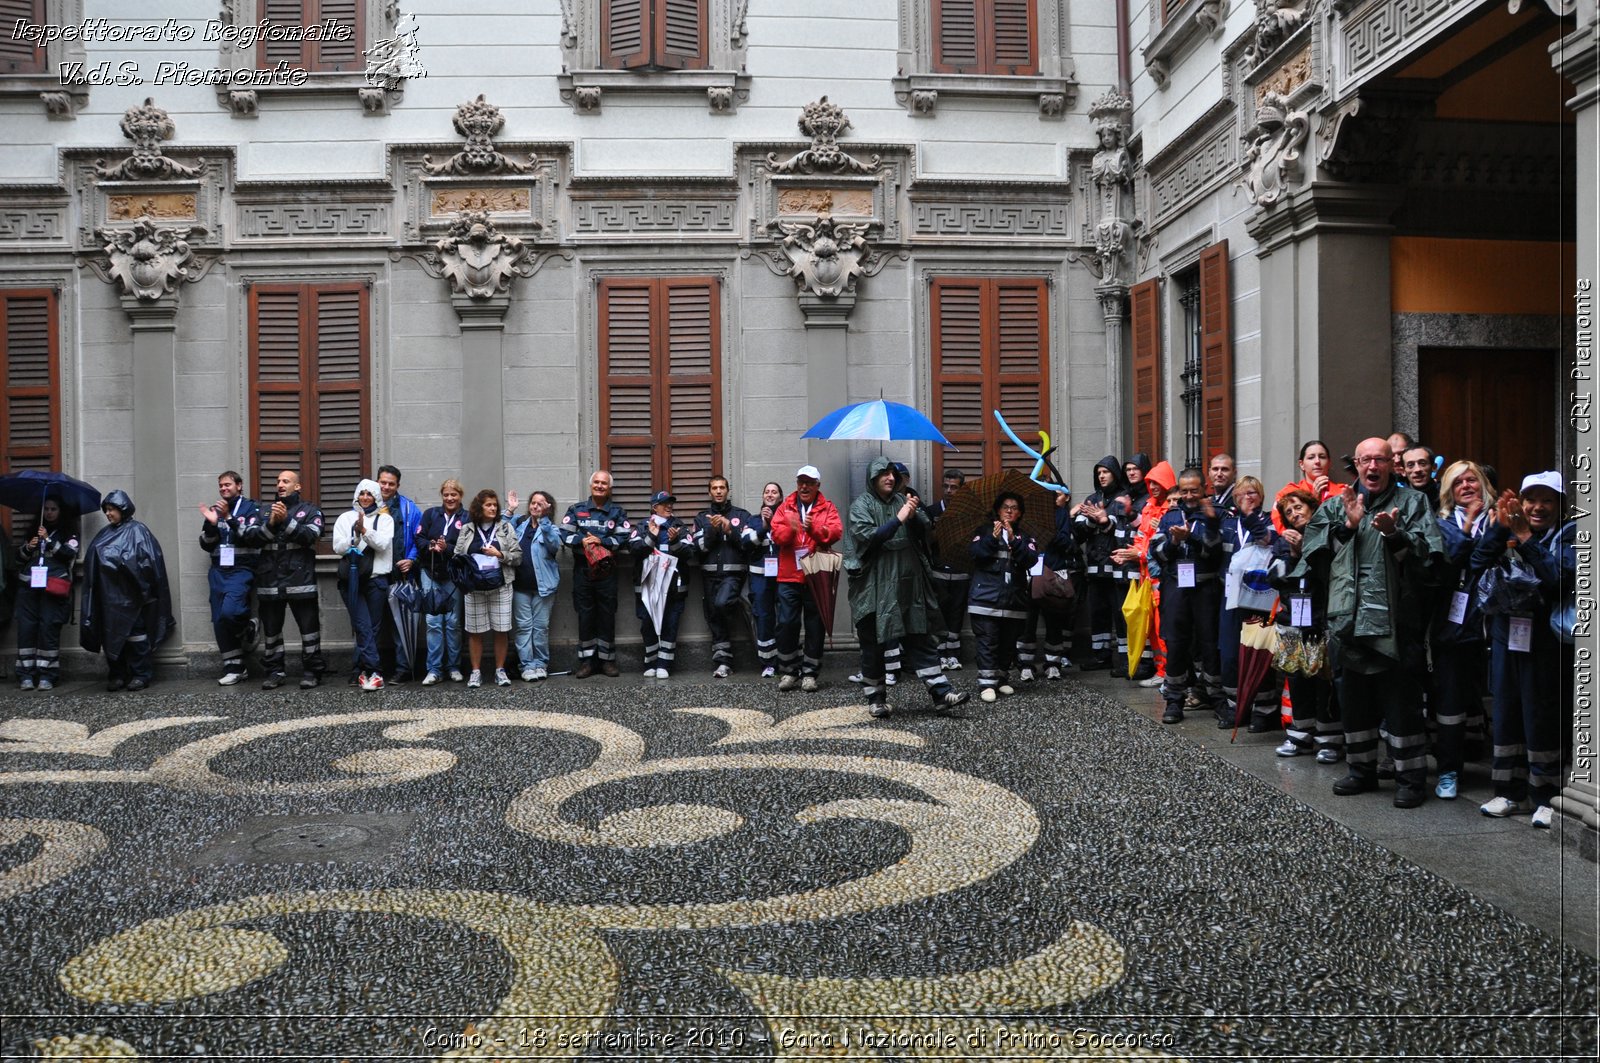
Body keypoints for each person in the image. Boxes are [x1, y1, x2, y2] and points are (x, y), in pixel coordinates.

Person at [1294, 437, 1445, 808]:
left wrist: (1396, 535)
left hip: (1397, 622)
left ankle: (1410, 777)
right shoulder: (1334, 505)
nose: (1372, 467)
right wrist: (1345, 527)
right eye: (1366, 460)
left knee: (1401, 703)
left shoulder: (1413, 502)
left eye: (1380, 460)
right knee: (1354, 700)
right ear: (1356, 465)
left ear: (1392, 466)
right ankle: (1361, 769)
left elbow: (1430, 559)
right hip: (1347, 622)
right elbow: (1311, 553)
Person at [1472, 472, 1576, 827]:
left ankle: (1546, 796)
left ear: (1560, 505)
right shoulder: (1508, 528)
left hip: (1546, 640)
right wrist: (1499, 529)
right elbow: (1475, 565)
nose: (1537, 507)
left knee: (1542, 714)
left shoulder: (1572, 533)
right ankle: (1509, 792)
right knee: (1507, 710)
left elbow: (1560, 577)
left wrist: (1527, 538)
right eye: (1532, 499)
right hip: (1506, 634)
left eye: (1548, 500)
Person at [843, 456, 969, 717]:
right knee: (874, 643)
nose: (890, 478)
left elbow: (927, 530)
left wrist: (914, 513)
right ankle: (876, 698)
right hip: (874, 586)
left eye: (893, 474)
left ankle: (941, 693)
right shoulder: (860, 506)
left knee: (920, 638)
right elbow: (869, 538)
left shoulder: (904, 500)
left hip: (908, 585)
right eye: (884, 474)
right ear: (872, 478)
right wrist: (899, 519)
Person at [1429, 460, 1496, 800]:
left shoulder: (1501, 518)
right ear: (1449, 492)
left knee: (1504, 701)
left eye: (1472, 480)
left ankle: (1510, 777)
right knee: (1451, 704)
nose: (1467, 486)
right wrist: (1468, 525)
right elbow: (1447, 564)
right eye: (1458, 483)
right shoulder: (1441, 523)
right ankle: (1448, 771)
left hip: (1497, 622)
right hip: (1453, 627)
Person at [1269, 488, 1343, 761]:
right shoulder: (1282, 542)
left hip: (1320, 621)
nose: (1294, 513)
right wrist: (1291, 553)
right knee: (1297, 681)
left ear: (1312, 508)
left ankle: (1330, 741)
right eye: (1289, 511)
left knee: (1324, 683)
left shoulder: (1326, 535)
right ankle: (1299, 737)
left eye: (1299, 507)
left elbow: (1331, 573)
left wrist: (1306, 551)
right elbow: (1273, 578)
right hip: (1292, 624)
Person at [1149, 468, 1224, 724]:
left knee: (1210, 645)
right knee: (1177, 644)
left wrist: (1191, 537)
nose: (1190, 495)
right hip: (1176, 589)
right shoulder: (1169, 516)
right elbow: (1157, 553)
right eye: (1184, 490)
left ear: (1204, 488)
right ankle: (1174, 700)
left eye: (1194, 490)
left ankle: (1217, 699)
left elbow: (1216, 553)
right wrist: (1172, 542)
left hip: (1205, 589)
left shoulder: (1214, 515)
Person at [80, 490, 175, 691]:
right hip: (109, 599)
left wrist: (144, 590)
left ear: (122, 509)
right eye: (106, 510)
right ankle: (117, 674)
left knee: (136, 637)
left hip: (133, 599)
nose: (108, 513)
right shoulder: (103, 534)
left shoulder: (139, 531)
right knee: (112, 637)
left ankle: (141, 674)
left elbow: (149, 563)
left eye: (111, 509)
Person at [240, 469, 325, 690]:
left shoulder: (310, 510)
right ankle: (274, 671)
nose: (280, 484)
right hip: (270, 581)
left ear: (297, 486)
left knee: (309, 630)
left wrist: (286, 520)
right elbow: (251, 538)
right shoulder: (263, 511)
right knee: (272, 632)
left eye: (286, 481)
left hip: (300, 579)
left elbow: (310, 537)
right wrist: (270, 524)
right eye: (277, 481)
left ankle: (311, 671)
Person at [771, 464, 843, 692]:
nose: (804, 486)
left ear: (817, 486)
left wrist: (813, 530)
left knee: (815, 625)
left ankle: (810, 673)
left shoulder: (827, 507)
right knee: (786, 624)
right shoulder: (785, 507)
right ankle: (788, 672)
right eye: (801, 482)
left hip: (816, 575)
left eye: (809, 483)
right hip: (789, 576)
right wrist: (791, 529)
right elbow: (777, 537)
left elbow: (835, 533)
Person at [1218, 476, 1278, 729]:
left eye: (1253, 493)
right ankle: (1236, 707)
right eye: (1242, 493)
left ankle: (1264, 710)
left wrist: (1250, 516)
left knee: (1259, 650)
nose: (1248, 497)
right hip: (1231, 595)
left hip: (1259, 595)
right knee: (1231, 653)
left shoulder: (1270, 520)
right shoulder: (1228, 523)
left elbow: (1268, 540)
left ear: (1261, 496)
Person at [560, 470, 631, 678]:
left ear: (610, 488)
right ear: (591, 486)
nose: (600, 486)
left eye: (604, 483)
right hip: (583, 571)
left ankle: (607, 661)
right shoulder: (576, 509)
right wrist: (581, 541)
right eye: (596, 483)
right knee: (585, 616)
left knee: (607, 615)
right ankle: (587, 662)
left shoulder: (617, 512)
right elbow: (564, 534)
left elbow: (624, 538)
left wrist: (602, 542)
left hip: (606, 572)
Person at [969, 491, 1038, 703]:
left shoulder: (1025, 537)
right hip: (985, 599)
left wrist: (1015, 541)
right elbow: (975, 554)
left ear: (1020, 513)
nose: (1009, 511)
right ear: (997, 511)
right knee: (988, 641)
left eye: (1014, 508)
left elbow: (1031, 560)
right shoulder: (983, 531)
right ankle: (986, 683)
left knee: (1008, 642)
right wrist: (993, 538)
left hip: (1014, 599)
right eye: (1005, 507)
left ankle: (1001, 678)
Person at [1113, 457, 1175, 684]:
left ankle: (1168, 673)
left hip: (1164, 580)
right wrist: (1130, 551)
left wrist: (1137, 554)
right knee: (1152, 629)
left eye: (1158, 482)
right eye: (1152, 483)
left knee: (1162, 629)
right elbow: (1143, 537)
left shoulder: (1171, 509)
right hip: (1148, 578)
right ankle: (1161, 671)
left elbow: (1163, 544)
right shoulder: (1150, 507)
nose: (1154, 487)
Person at [454, 488, 521, 687]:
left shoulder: (506, 528)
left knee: (501, 629)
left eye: (494, 505)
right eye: (488, 505)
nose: (492, 508)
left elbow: (518, 556)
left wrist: (499, 554)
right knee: (474, 631)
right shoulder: (466, 529)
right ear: (479, 507)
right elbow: (456, 555)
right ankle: (476, 672)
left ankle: (500, 671)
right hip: (473, 588)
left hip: (500, 585)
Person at [198, 471, 259, 686]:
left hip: (241, 569)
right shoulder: (215, 510)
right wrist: (211, 524)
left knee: (230, 612)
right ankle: (234, 667)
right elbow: (206, 543)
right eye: (221, 486)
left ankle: (247, 628)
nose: (224, 489)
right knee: (219, 619)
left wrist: (229, 519)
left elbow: (253, 537)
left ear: (239, 486)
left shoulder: (251, 508)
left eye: (228, 485)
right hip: (218, 571)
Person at [332, 478, 394, 691]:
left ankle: (360, 670)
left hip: (376, 580)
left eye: (370, 494)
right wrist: (354, 536)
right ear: (357, 495)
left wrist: (365, 531)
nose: (365, 498)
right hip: (352, 580)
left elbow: (383, 545)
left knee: (372, 628)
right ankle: (375, 671)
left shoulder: (385, 519)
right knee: (363, 625)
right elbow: (338, 547)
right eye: (362, 493)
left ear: (376, 497)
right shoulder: (345, 517)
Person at [694, 475, 758, 678]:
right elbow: (699, 549)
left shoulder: (743, 515)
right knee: (713, 617)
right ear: (709, 492)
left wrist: (730, 530)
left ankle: (739, 604)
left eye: (722, 487)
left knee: (722, 604)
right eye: (714, 488)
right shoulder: (701, 517)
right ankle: (723, 662)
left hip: (733, 574)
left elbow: (748, 546)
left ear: (727, 491)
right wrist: (712, 531)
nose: (719, 491)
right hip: (709, 575)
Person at [14, 499, 78, 691]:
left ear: (60, 511)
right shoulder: (33, 530)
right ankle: (26, 674)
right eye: (47, 509)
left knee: (48, 629)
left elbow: (69, 554)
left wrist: (49, 540)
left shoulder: (69, 532)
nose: (49, 513)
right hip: (28, 587)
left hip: (53, 588)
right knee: (26, 630)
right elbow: (19, 559)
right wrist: (29, 547)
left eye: (53, 509)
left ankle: (47, 675)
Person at [1017, 487, 1078, 681]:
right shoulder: (1024, 514)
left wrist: (1049, 531)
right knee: (1027, 621)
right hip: (1029, 572)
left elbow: (1067, 543)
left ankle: (1053, 664)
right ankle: (1025, 665)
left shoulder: (1060, 513)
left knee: (1054, 619)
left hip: (1053, 571)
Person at [1073, 456, 1127, 671]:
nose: (1102, 476)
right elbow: (1077, 533)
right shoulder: (1091, 500)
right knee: (1098, 614)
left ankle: (1125, 659)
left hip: (1118, 568)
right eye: (1099, 473)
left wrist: (1105, 521)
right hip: (1095, 569)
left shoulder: (1124, 499)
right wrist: (1089, 520)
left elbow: (1126, 530)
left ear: (1115, 473)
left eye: (1106, 472)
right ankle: (1101, 656)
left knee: (1120, 615)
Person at [632, 490, 695, 678]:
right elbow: (634, 550)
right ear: (654, 507)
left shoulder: (679, 526)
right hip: (647, 586)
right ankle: (650, 661)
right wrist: (651, 536)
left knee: (670, 623)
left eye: (671, 503)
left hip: (673, 588)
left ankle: (664, 664)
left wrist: (675, 541)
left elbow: (690, 552)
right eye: (664, 503)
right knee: (647, 623)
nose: (669, 506)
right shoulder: (643, 525)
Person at [415, 478, 468, 684]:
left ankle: (453, 667)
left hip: (454, 577)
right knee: (433, 623)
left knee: (453, 623)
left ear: (460, 496)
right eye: (446, 494)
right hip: (430, 573)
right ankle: (434, 669)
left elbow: (467, 547)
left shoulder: (466, 517)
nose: (449, 498)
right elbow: (418, 538)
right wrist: (430, 545)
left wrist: (447, 548)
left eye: (453, 494)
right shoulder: (430, 515)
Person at [375, 465, 423, 682]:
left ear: (397, 486)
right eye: (383, 482)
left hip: (400, 575)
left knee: (400, 624)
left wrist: (411, 559)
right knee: (371, 625)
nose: (386, 487)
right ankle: (368, 669)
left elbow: (418, 538)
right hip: (374, 574)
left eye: (391, 484)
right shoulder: (366, 504)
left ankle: (403, 669)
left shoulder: (409, 509)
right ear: (377, 482)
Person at [510, 489, 561, 681]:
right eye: (533, 502)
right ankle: (526, 666)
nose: (535, 506)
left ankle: (541, 664)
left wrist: (545, 520)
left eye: (541, 503)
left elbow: (554, 545)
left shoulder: (552, 528)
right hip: (520, 587)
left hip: (544, 588)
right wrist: (510, 510)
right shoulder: (520, 526)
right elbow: (502, 532)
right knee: (524, 627)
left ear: (548, 507)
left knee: (540, 627)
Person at [927, 467, 971, 670]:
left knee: (957, 614)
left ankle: (954, 653)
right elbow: (926, 541)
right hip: (939, 571)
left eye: (954, 487)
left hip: (961, 571)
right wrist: (940, 528)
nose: (949, 491)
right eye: (946, 486)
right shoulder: (933, 511)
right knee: (939, 614)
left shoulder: (969, 513)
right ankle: (940, 653)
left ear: (961, 490)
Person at [747, 481, 784, 677]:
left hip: (783, 577)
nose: (770, 495)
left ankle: (786, 661)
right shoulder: (752, 520)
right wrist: (763, 526)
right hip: (760, 579)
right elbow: (746, 542)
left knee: (786, 619)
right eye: (767, 492)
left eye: (774, 492)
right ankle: (768, 663)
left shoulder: (787, 518)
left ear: (780, 497)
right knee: (764, 618)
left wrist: (776, 524)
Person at [1272, 439, 1343, 532]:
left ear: (1329, 463)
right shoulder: (1287, 493)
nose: (1317, 461)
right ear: (1301, 464)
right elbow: (1283, 529)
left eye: (1322, 457)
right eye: (1311, 457)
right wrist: (1313, 499)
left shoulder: (1342, 491)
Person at [1400, 445, 1439, 510]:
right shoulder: (1398, 499)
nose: (1417, 469)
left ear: (1434, 467)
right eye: (1410, 465)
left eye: (1422, 463)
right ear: (1403, 471)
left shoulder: (1447, 495)